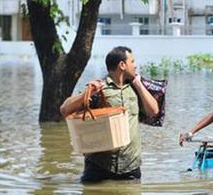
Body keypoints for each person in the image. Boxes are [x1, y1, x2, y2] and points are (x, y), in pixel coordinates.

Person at [60, 46, 159, 183]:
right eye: (132, 61)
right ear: (122, 65)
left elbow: (154, 111)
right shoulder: (99, 88)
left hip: (130, 166)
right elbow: (64, 109)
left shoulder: (136, 88)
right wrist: (86, 94)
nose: (135, 66)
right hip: (99, 166)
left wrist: (140, 85)